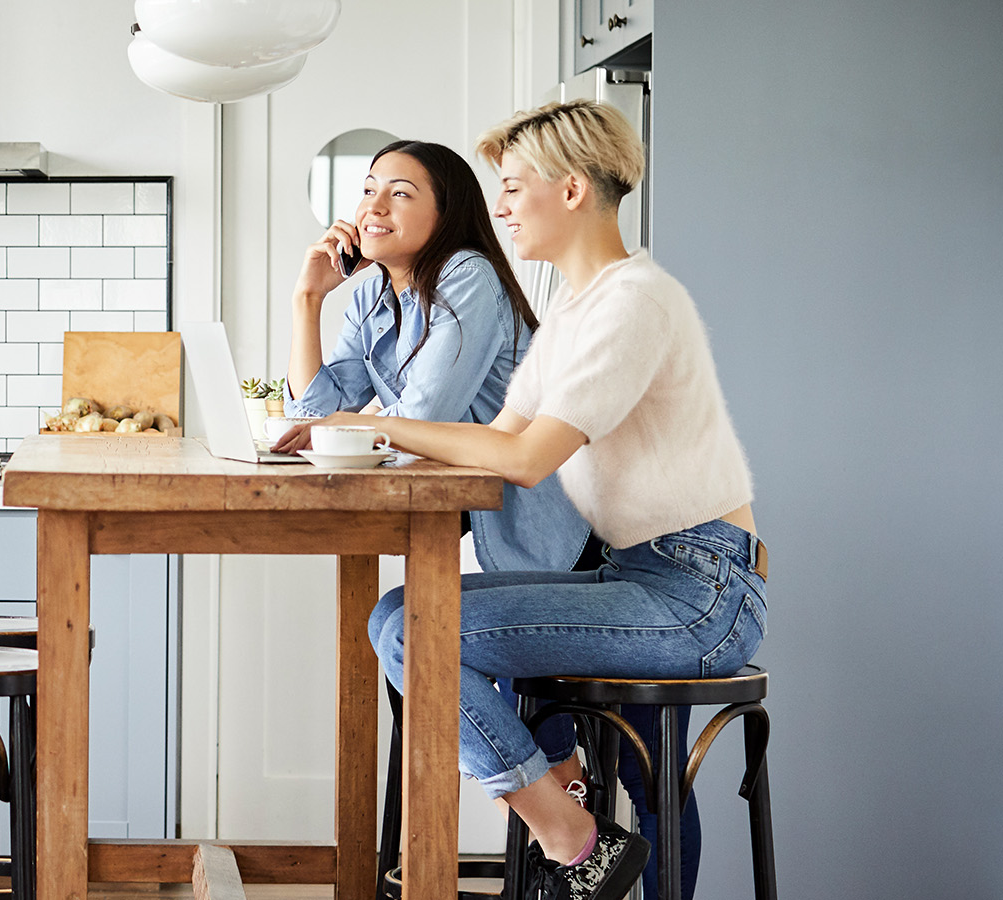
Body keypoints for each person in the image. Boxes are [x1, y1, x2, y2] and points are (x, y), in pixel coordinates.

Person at [279, 100, 768, 900]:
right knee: (395, 619)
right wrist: (347, 402)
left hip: (697, 590)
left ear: (571, 191)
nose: (497, 206)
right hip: (632, 574)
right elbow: (497, 436)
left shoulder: (632, 302)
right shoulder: (571, 315)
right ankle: (576, 835)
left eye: (511, 187)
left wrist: (362, 422)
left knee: (423, 633)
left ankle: (574, 839)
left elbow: (526, 459)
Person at [280, 139, 592, 573]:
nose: (375, 207)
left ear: (446, 215)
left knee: (413, 620)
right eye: (369, 190)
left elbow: (424, 417)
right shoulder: (371, 294)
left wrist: (345, 427)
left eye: (401, 193)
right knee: (398, 617)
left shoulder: (467, 276)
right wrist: (308, 298)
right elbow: (313, 415)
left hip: (569, 529)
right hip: (504, 524)